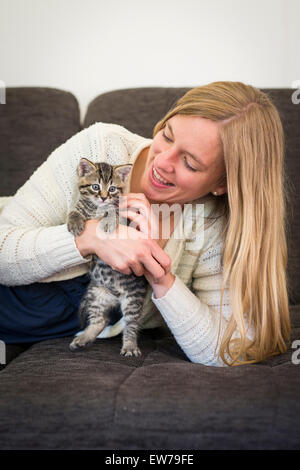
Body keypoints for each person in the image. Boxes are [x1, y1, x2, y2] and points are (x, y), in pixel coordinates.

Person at [0, 81, 291, 367]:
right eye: (167, 135)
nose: (162, 161)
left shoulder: (210, 225)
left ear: (222, 183)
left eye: (190, 163)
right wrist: (91, 238)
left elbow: (228, 350)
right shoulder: (102, 146)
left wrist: (159, 274)